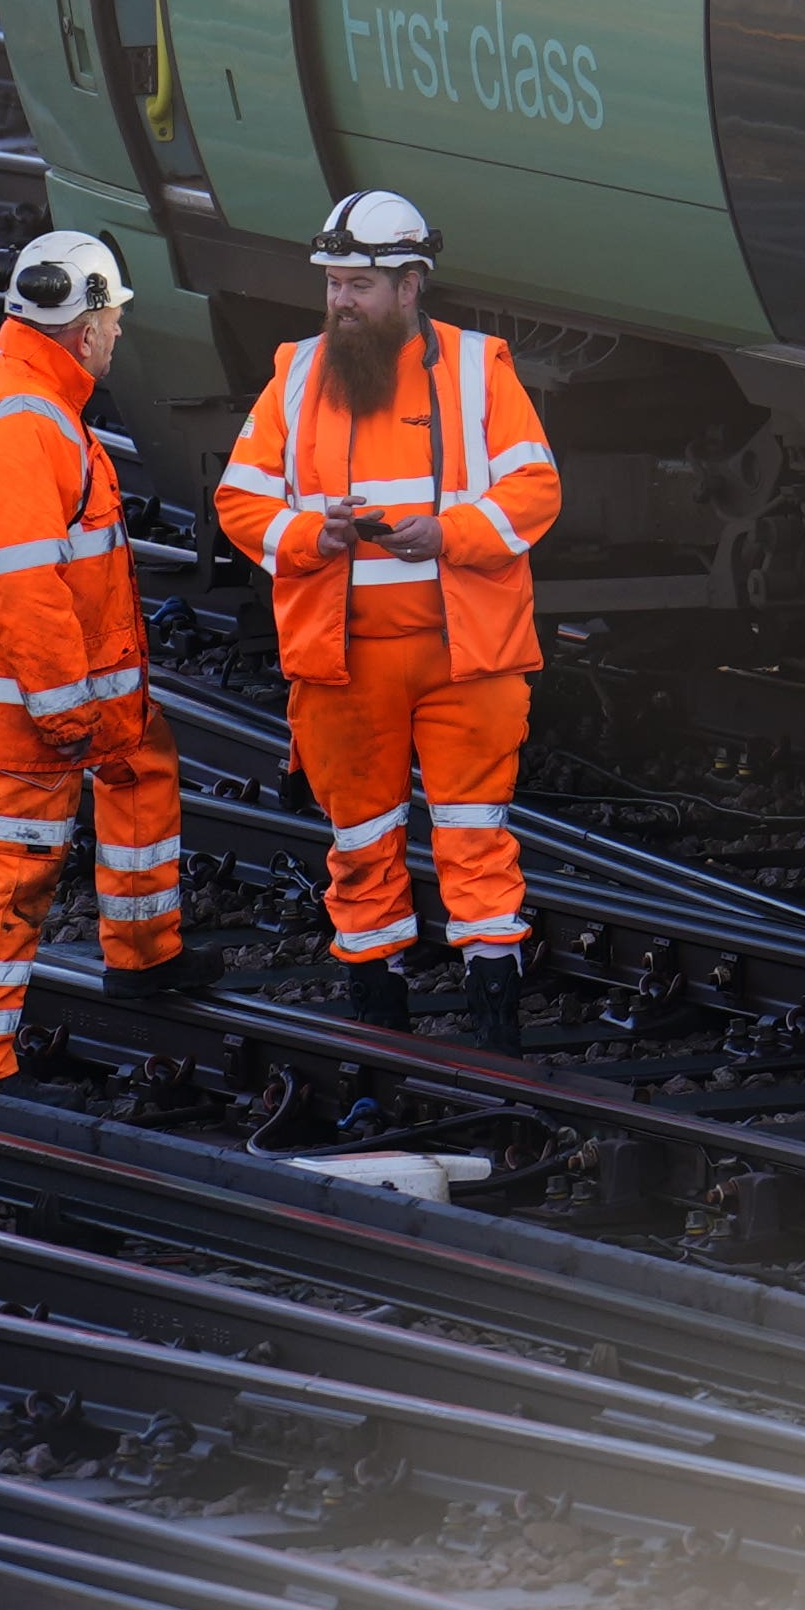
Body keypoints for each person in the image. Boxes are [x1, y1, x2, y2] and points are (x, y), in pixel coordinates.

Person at [216, 188, 565, 1035]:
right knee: (361, 843)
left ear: (411, 288)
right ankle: (380, 1020)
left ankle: (494, 1022)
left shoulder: (482, 370)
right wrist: (311, 532)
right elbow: (241, 501)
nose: (341, 301)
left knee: (475, 835)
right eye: (333, 283)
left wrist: (446, 533)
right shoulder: (295, 374)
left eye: (359, 286)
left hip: (463, 656)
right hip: (345, 662)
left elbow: (536, 490)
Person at [0, 230, 203, 1083]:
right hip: (31, 700)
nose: (119, 331)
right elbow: (25, 591)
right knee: (18, 865)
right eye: (113, 316)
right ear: (83, 326)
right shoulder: (21, 423)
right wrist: (64, 708)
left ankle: (144, 954)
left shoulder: (33, 401)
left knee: (141, 765)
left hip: (76, 684)